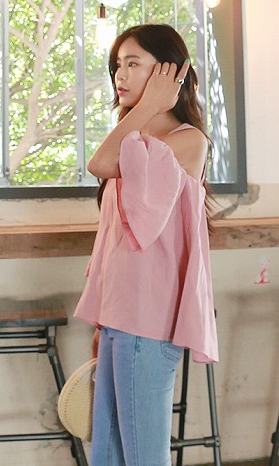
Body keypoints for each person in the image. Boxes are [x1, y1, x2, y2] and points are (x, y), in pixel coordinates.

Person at [73, 24, 219, 465]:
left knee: (142, 458)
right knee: (109, 455)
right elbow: (115, 245)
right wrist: (102, 322)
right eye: (118, 65)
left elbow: (99, 163)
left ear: (171, 73)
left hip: (149, 322)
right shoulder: (135, 141)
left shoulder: (187, 142)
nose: (120, 74)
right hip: (120, 318)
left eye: (133, 63)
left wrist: (152, 104)